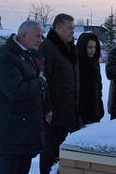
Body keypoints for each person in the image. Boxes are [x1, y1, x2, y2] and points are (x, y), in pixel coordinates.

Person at [0, 20, 47, 174]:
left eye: (42, 36)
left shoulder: (30, 56)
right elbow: (14, 91)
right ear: (23, 35)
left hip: (25, 132)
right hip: (11, 134)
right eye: (38, 36)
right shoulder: (9, 59)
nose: (41, 40)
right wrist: (40, 82)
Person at [38, 14, 81, 174]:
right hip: (53, 114)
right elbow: (44, 82)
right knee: (50, 154)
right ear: (57, 28)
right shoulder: (48, 47)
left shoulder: (70, 48)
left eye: (73, 28)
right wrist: (47, 108)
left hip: (68, 111)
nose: (72, 32)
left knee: (62, 155)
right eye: (69, 28)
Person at [77, 32, 105, 124]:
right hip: (80, 108)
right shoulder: (77, 63)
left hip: (94, 107)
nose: (92, 50)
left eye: (94, 47)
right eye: (89, 47)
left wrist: (99, 105)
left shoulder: (94, 62)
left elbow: (98, 85)